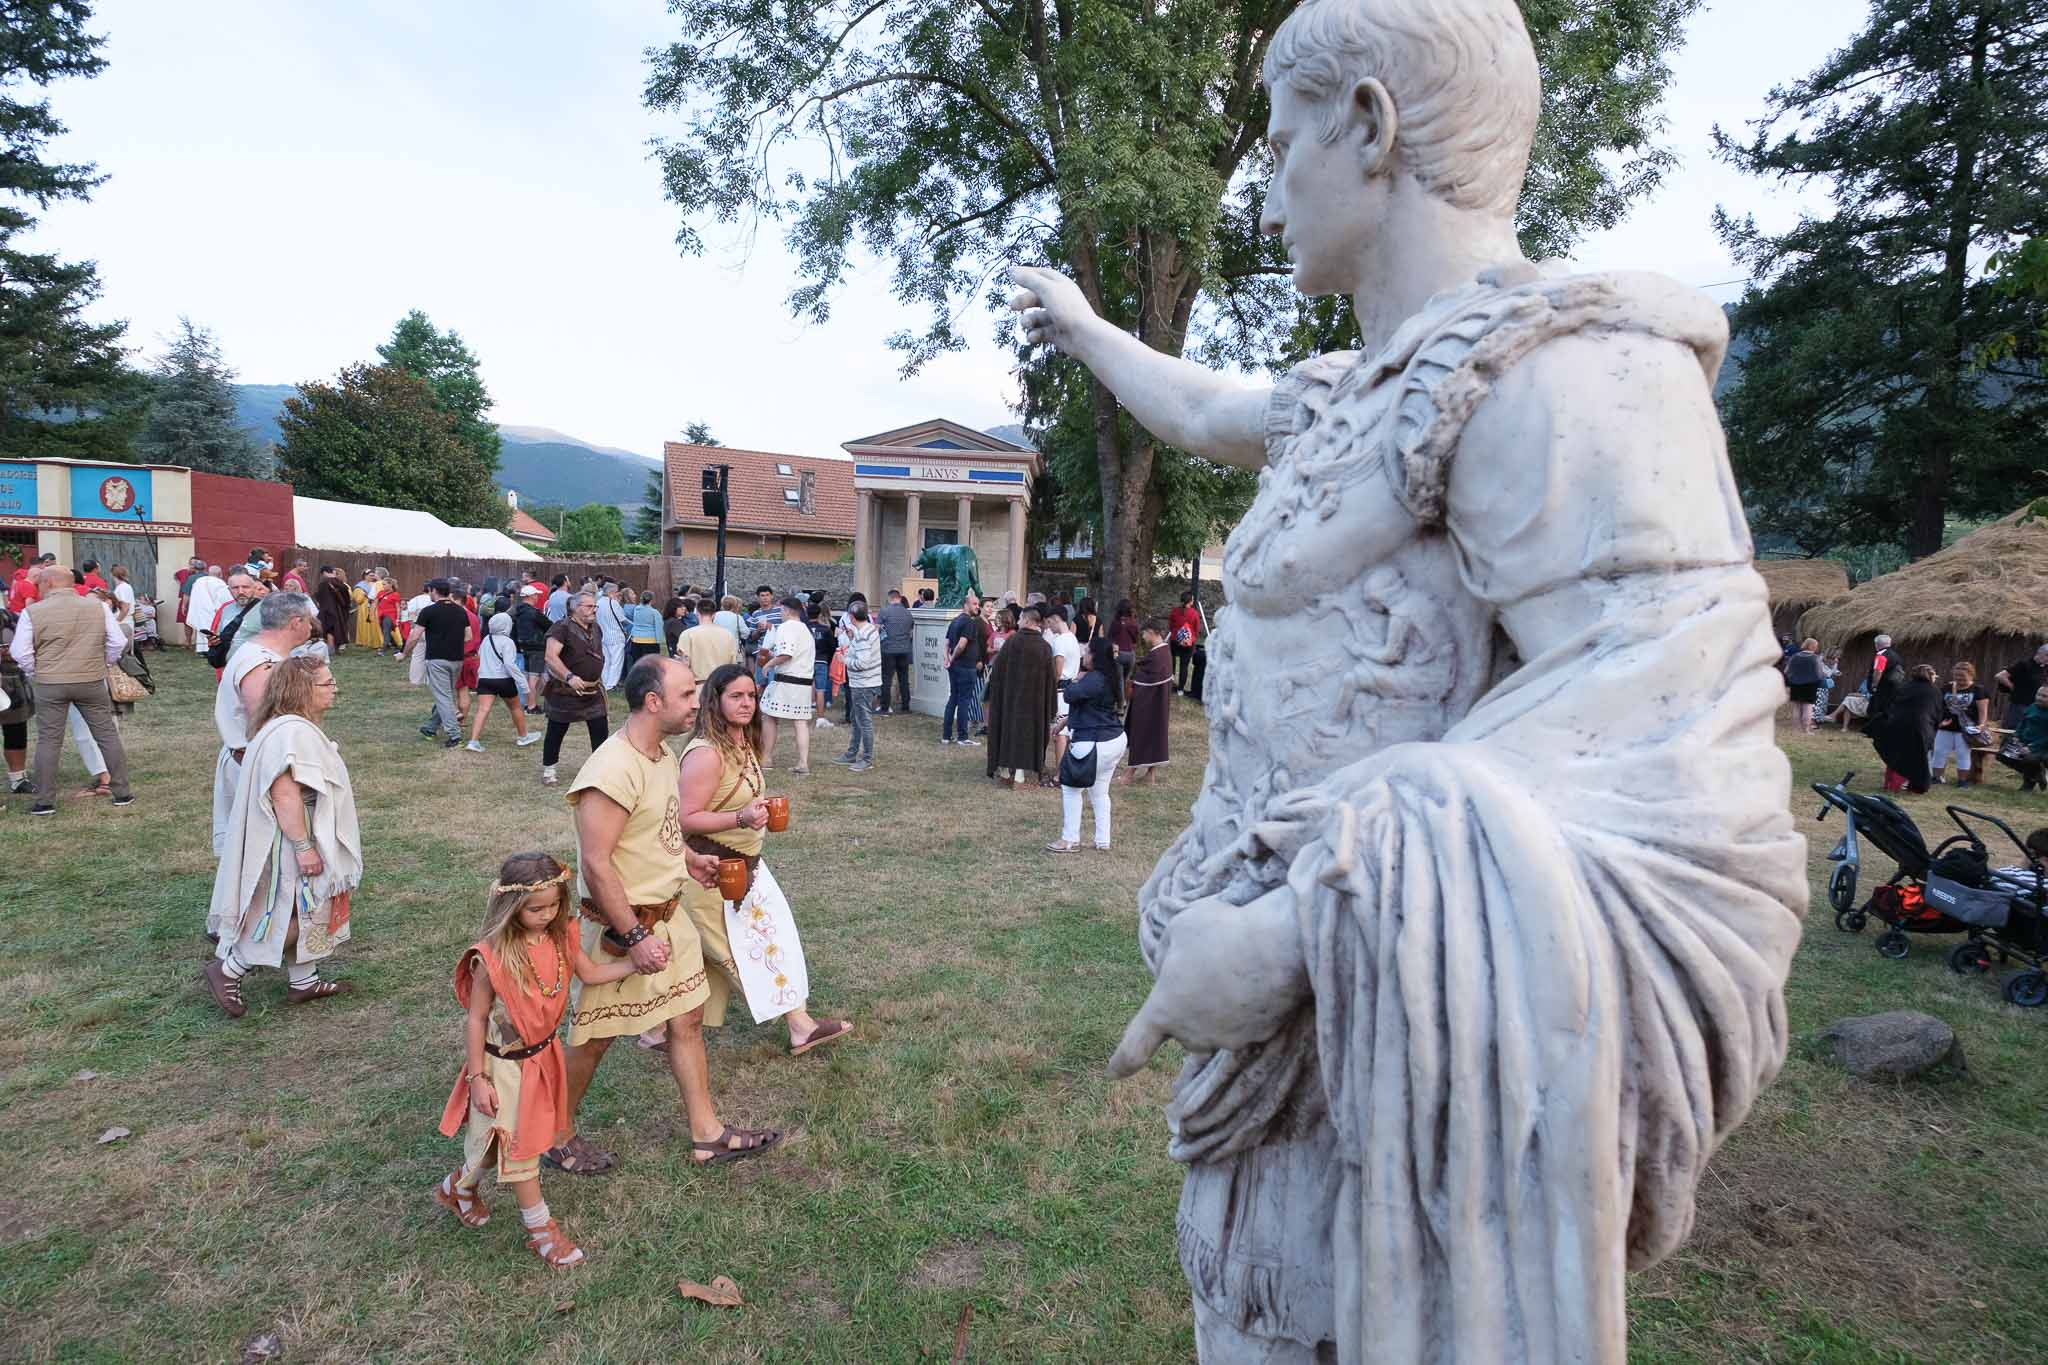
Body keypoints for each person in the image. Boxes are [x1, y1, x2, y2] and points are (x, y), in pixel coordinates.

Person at [1009, 3, 1810, 1354]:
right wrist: (1086, 328)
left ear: (1371, 125)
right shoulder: (1343, 395)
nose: (1266, 199)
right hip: (1277, 1113)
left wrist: (1284, 942)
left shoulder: (1578, 381)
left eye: (1281, 147)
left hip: (1400, 1097)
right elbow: (1202, 407)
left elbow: (1688, 774)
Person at [549, 655, 784, 1176]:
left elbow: (660, 833)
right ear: (652, 701)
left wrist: (689, 859)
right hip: (623, 929)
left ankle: (708, 1135)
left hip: (668, 917)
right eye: (685, 695)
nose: (696, 704)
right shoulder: (611, 769)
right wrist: (632, 936)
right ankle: (556, 1134)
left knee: (688, 1020)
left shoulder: (661, 756)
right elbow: (597, 861)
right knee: (595, 1038)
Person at [433, 852, 647, 1267]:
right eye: (535, 909)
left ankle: (455, 1189)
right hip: (504, 1068)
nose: (546, 915)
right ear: (510, 906)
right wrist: (478, 1077)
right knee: (522, 1149)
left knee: (495, 1146)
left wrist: (632, 965)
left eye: (553, 905)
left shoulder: (561, 936)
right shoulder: (492, 957)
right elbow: (477, 1019)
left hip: (543, 1059)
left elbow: (588, 973)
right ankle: (542, 1231)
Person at [679, 662, 854, 1054]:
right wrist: (740, 817)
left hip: (749, 862)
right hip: (711, 869)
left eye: (751, 697)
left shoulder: (743, 742)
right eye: (736, 697)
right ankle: (799, 1025)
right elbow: (684, 817)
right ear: (715, 701)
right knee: (740, 951)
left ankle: (656, 1032)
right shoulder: (706, 754)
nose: (746, 704)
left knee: (768, 939)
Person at [201, 656, 359, 1015]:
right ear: (302, 690)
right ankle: (230, 968)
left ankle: (304, 980)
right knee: (292, 908)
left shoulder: (283, 727)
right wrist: (304, 847)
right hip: (289, 836)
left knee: (306, 907)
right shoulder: (291, 732)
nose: (334, 689)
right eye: (327, 683)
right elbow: (284, 792)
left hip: (290, 831)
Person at [9, 566, 133, 816]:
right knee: (106, 734)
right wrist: (103, 663)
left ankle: (45, 801)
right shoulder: (96, 606)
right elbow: (118, 641)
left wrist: (37, 672)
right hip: (91, 679)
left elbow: (19, 652)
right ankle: (122, 792)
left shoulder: (32, 612)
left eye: (40, 584)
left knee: (49, 741)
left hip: (50, 683)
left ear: (49, 583)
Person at [210, 591, 317, 870]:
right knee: (267, 863)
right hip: (260, 769)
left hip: (260, 764)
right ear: (296, 622)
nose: (311, 626)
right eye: (308, 620)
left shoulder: (266, 655)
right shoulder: (260, 664)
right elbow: (269, 731)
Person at [1048, 637, 1125, 853]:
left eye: (1088, 652)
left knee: (1071, 787)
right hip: (1114, 739)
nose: (1085, 656)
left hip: (1094, 741)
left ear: (1097, 656)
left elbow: (1072, 695)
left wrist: (1076, 680)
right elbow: (1089, 705)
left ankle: (1070, 839)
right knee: (1099, 791)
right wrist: (1065, 721)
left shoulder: (1094, 679)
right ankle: (1103, 840)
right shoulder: (1110, 676)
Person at [983, 605, 1059, 790]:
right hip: (1035, 704)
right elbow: (1051, 680)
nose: (1017, 622)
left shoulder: (1012, 643)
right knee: (1028, 736)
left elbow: (997, 674)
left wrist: (995, 696)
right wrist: (1051, 707)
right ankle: (1019, 774)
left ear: (1027, 620)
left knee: (1009, 733)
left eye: (1020, 619)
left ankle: (1007, 772)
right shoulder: (1045, 648)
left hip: (1011, 701)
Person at [540, 591, 608, 787]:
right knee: (557, 729)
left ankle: (600, 771)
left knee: (599, 731)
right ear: (574, 608)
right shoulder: (561, 628)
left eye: (595, 606)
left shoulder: (596, 627)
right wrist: (569, 677)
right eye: (589, 606)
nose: (593, 610)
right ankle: (549, 769)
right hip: (565, 690)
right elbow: (550, 657)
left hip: (592, 691)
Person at [402, 580, 473, 748]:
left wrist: (404, 653)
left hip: (437, 660)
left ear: (434, 591)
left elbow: (415, 635)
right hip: (457, 660)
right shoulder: (461, 611)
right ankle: (430, 727)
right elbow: (468, 636)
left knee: (443, 697)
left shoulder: (428, 611)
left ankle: (454, 735)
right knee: (445, 694)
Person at [758, 596, 815, 774]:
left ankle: (766, 758)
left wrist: (769, 664)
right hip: (804, 681)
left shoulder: (786, 627)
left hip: (787, 680)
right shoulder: (805, 629)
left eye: (781, 610)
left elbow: (787, 654)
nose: (780, 614)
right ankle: (803, 762)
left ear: (787, 611)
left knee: (769, 716)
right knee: (800, 722)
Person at [468, 611, 541, 752]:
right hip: (503, 680)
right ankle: (523, 736)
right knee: (515, 707)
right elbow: (510, 665)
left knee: (483, 709)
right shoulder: (508, 642)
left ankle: (473, 741)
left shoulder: (486, 639)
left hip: (485, 679)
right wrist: (523, 685)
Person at [1871, 663, 1943, 793]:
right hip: (1919, 728)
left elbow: (1890, 704)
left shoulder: (1904, 687)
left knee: (1895, 755)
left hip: (1896, 724)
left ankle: (1889, 784)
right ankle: (1901, 786)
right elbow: (1936, 711)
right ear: (1931, 676)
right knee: (1912, 758)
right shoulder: (1934, 691)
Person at [1122, 618, 1173, 784]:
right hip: (1156, 703)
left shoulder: (1159, 653)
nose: (1142, 636)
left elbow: (1148, 676)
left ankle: (1128, 775)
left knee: (1142, 734)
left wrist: (1135, 675)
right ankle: (1150, 775)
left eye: (1144, 633)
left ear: (1151, 632)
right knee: (1153, 735)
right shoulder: (1162, 652)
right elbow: (1149, 669)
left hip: (1150, 704)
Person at [833, 601, 882, 771]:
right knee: (856, 719)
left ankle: (866, 758)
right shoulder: (867, 630)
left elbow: (862, 662)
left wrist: (844, 660)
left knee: (863, 721)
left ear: (852, 617)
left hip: (864, 684)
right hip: (866, 682)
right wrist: (853, 639)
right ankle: (852, 753)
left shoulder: (863, 634)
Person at [1930, 660, 1989, 787]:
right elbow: (1939, 706)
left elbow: (1983, 711)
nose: (1959, 678)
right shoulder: (1946, 688)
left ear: (1971, 675)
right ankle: (1936, 777)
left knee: (1963, 753)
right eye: (1956, 675)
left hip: (1966, 728)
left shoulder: (1978, 690)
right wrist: (1939, 721)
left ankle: (1962, 780)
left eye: (1962, 676)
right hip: (1946, 726)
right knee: (1939, 752)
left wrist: (1981, 725)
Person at [1043, 608, 1083, 778]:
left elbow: (1058, 667)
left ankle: (1059, 773)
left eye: (1050, 622)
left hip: (1060, 690)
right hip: (1072, 688)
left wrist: (1051, 684)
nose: (1049, 627)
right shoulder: (1073, 639)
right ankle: (1063, 768)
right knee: (1066, 732)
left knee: (1059, 733)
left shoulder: (1059, 641)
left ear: (1056, 619)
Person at [941, 591, 983, 746]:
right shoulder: (969, 622)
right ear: (966, 605)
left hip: (955, 667)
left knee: (953, 698)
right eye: (974, 604)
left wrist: (948, 659)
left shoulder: (955, 621)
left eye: (978, 604)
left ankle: (946, 736)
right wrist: (950, 658)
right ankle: (962, 737)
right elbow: (961, 644)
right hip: (965, 667)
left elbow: (946, 643)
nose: (977, 607)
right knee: (964, 701)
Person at [1, 602, 33, 794]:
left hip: (12, 682)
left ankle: (18, 779)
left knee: (16, 731)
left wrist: (9, 653)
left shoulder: (12, 618)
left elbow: (26, 646)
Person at [1996, 684, 2048, 791]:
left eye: (2044, 696)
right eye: (2038, 694)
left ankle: (2028, 785)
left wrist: (2031, 747)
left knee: (2029, 759)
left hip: (2042, 748)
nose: (2039, 698)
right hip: (2024, 743)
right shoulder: (2033, 706)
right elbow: (2022, 724)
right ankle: (2038, 774)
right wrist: (2016, 736)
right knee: (2002, 755)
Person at [676, 602, 741, 683]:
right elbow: (733, 662)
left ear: (697, 613)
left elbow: (685, 663)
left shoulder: (687, 634)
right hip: (722, 683)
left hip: (699, 684)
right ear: (714, 614)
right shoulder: (728, 634)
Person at [876, 589, 915, 715]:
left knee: (886, 679)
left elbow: (877, 629)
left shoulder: (884, 611)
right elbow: (910, 631)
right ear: (899, 598)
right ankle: (905, 706)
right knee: (903, 678)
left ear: (890, 598)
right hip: (904, 649)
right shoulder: (908, 613)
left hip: (888, 648)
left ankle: (885, 707)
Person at [1783, 637, 1832, 733]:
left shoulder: (1795, 656)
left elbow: (1786, 671)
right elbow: (1820, 674)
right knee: (1808, 706)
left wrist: (1793, 678)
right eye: (1815, 645)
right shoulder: (1815, 658)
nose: (1816, 647)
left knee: (1796, 707)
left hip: (1795, 684)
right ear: (1810, 646)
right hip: (1810, 685)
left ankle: (1796, 730)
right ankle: (1805, 730)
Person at [512, 585, 551, 709]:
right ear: (529, 596)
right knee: (534, 678)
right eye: (535, 595)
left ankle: (528, 704)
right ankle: (532, 706)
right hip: (536, 647)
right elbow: (549, 625)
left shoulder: (517, 611)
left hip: (523, 646)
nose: (537, 597)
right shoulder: (533, 612)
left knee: (528, 676)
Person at [1994, 644, 2048, 724]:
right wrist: (2013, 688)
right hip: (2019, 705)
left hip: (2034, 706)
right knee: (2014, 730)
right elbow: (2000, 676)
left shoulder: (2044, 668)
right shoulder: (2024, 664)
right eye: (2047, 656)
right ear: (2039, 653)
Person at [186, 565, 233, 654]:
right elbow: (224, 598)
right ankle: (209, 648)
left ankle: (201, 649)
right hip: (213, 610)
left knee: (202, 628)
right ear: (220, 574)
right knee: (212, 629)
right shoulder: (219, 583)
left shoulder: (198, 581)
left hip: (198, 609)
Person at [806, 600, 838, 728]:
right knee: (820, 690)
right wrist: (828, 660)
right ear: (819, 614)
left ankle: (804, 715)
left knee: (806, 688)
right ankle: (820, 717)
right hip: (821, 660)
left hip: (806, 661)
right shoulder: (825, 629)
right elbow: (832, 647)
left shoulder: (803, 628)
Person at [1169, 591, 1204, 694]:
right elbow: (1197, 629)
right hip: (1188, 643)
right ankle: (1180, 690)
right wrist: (1191, 637)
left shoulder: (1175, 611)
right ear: (1190, 601)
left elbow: (1170, 625)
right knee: (1184, 666)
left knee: (1172, 664)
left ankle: (1170, 685)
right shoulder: (1194, 614)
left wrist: (1176, 634)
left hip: (1175, 641)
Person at [595, 584, 628, 691]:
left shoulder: (598, 602)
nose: (618, 593)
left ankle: (605, 683)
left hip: (603, 636)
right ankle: (612, 684)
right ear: (611, 592)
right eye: (617, 591)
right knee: (616, 662)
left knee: (607, 661)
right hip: (616, 636)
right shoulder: (613, 602)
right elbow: (622, 619)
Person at [314, 566, 352, 651]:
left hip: (327, 610)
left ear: (324, 573)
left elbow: (320, 599)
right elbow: (347, 599)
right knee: (336, 630)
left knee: (328, 630)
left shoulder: (323, 584)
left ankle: (330, 649)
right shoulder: (341, 584)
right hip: (340, 611)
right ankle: (335, 648)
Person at [626, 588, 663, 672]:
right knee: (651, 664)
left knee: (637, 663)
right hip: (651, 641)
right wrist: (659, 640)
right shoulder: (654, 612)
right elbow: (659, 627)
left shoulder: (636, 610)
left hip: (637, 639)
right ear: (652, 600)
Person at [1107, 599, 1139, 677]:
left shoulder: (1115, 622)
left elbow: (1109, 638)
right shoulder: (1133, 623)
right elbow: (1135, 639)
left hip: (1118, 653)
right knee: (1126, 680)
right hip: (1130, 654)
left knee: (1119, 681)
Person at [375, 577, 402, 653]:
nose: (383, 586)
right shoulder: (380, 593)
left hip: (390, 615)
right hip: (381, 615)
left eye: (384, 584)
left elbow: (398, 607)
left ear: (390, 585)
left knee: (386, 631)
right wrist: (372, 614)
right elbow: (376, 603)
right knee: (385, 631)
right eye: (382, 584)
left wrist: (398, 618)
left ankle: (383, 649)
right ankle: (396, 647)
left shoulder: (395, 594)